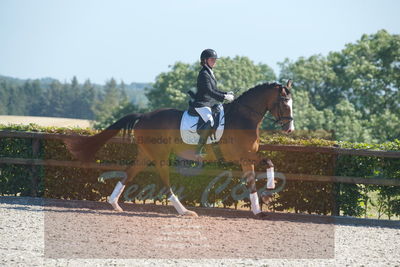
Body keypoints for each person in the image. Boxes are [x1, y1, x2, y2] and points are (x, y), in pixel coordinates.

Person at [191, 49, 234, 157]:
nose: (214, 61)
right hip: (202, 104)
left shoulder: (209, 72)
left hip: (210, 103)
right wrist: (224, 97)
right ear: (205, 60)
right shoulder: (204, 74)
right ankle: (199, 150)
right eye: (212, 59)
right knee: (210, 121)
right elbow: (209, 91)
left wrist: (226, 93)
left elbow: (214, 90)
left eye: (215, 59)